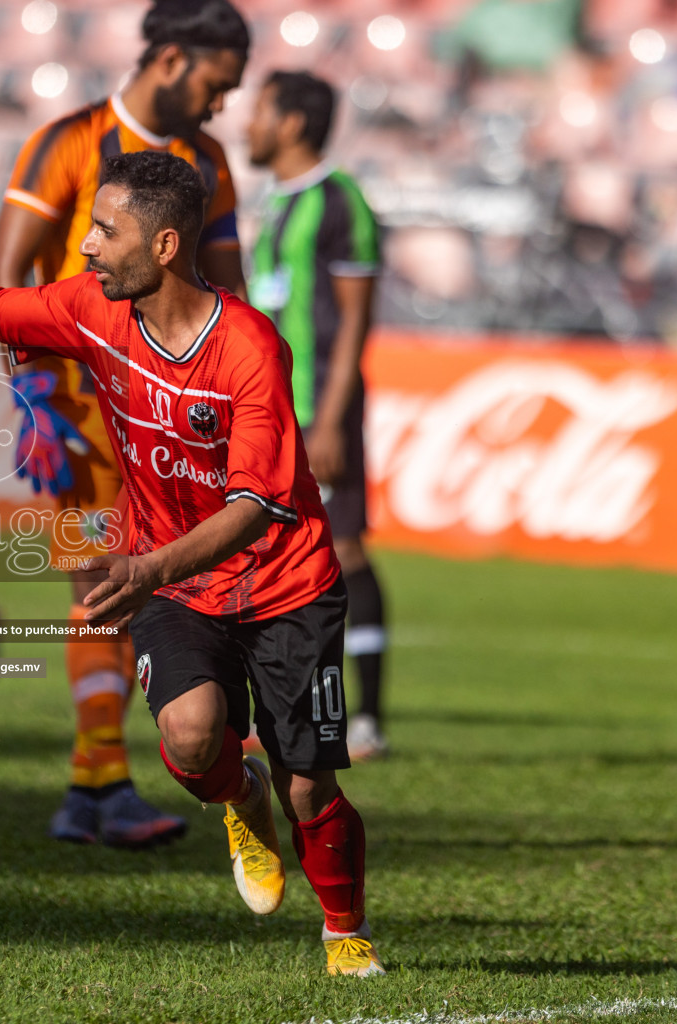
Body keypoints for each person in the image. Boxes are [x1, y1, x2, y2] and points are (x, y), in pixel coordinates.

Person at [0, 148, 385, 976]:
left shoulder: (250, 350)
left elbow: (254, 509)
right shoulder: (88, 307)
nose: (85, 248)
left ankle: (343, 930)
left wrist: (147, 570)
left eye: (105, 232)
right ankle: (239, 797)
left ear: (165, 247)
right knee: (190, 739)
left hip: (286, 584)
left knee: (312, 790)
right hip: (171, 575)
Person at [0, 0, 252, 850]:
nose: (223, 104)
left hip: (181, 419)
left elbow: (231, 289)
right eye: (218, 83)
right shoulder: (69, 140)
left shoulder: (207, 161)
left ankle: (105, 786)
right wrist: (27, 404)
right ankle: (101, 783)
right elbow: (5, 276)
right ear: (174, 59)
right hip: (82, 416)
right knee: (99, 588)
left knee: (195, 584)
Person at [245, 71, 390, 761]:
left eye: (260, 111)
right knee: (269, 556)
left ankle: (367, 719)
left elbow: (357, 320)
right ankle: (281, 707)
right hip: (267, 413)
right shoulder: (274, 201)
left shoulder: (340, 200)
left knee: (344, 550)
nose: (248, 124)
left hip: (316, 412)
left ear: (293, 122)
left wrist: (328, 420)